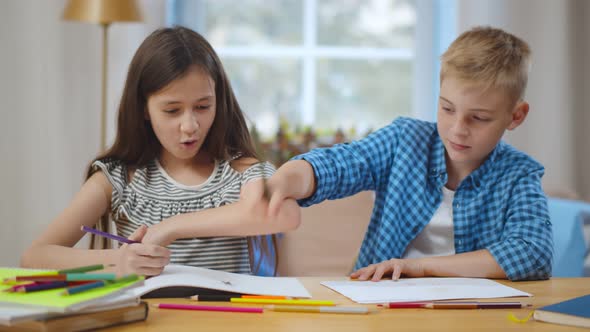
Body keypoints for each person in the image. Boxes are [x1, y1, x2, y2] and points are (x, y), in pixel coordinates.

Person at [265, 26, 553, 281]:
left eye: (478, 118)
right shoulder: (404, 141)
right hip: (384, 305)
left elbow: (532, 253)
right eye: (447, 108)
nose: (457, 129)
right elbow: (340, 165)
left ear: (515, 116)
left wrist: (423, 267)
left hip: (471, 314)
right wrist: (288, 179)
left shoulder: (519, 174)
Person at [20, 26, 300, 276]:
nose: (190, 126)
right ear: (144, 108)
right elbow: (34, 257)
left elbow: (282, 214)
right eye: (172, 110)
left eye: (203, 107)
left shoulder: (241, 172)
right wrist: (118, 261)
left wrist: (172, 226)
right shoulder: (119, 179)